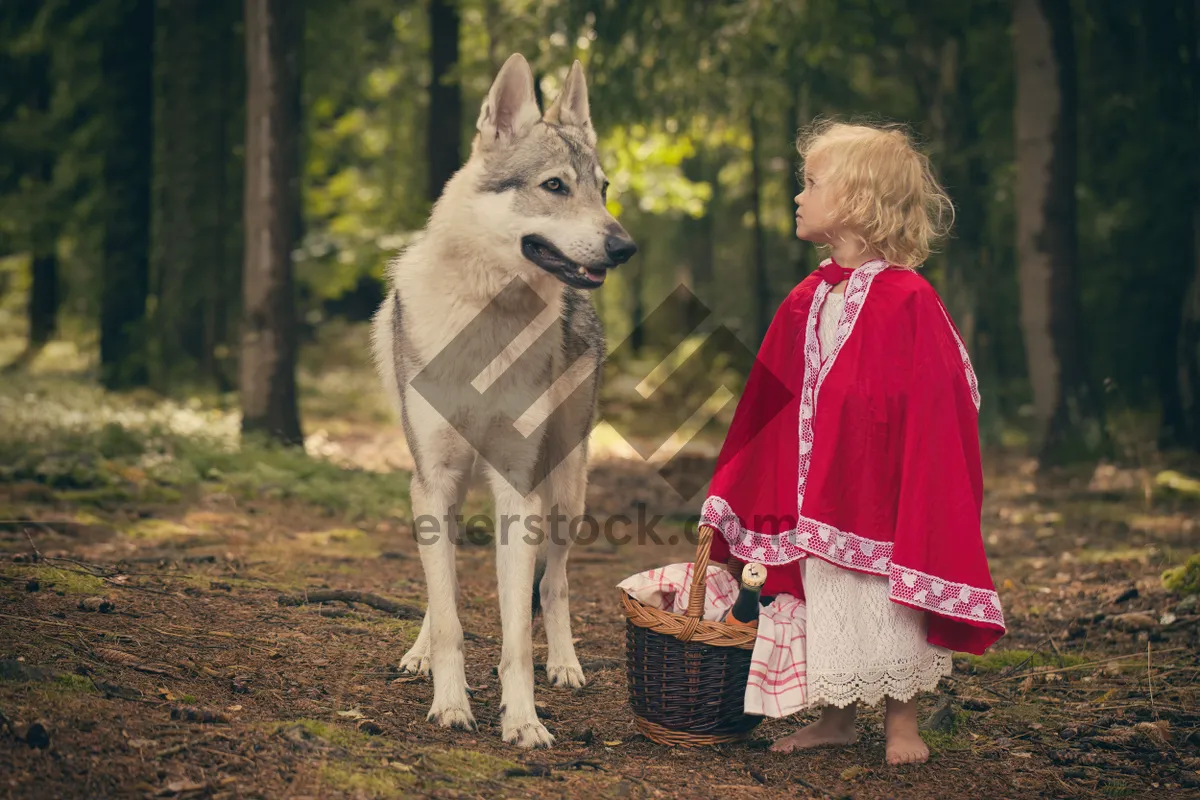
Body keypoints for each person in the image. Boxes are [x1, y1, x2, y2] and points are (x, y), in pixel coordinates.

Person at [699, 120, 1005, 765]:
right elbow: (768, 402)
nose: (798, 195)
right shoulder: (806, 298)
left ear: (860, 201)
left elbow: (940, 397)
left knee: (885, 600)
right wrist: (745, 482)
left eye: (812, 183)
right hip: (816, 489)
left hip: (881, 486)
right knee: (825, 595)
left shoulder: (908, 298)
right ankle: (835, 717)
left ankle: (902, 725)